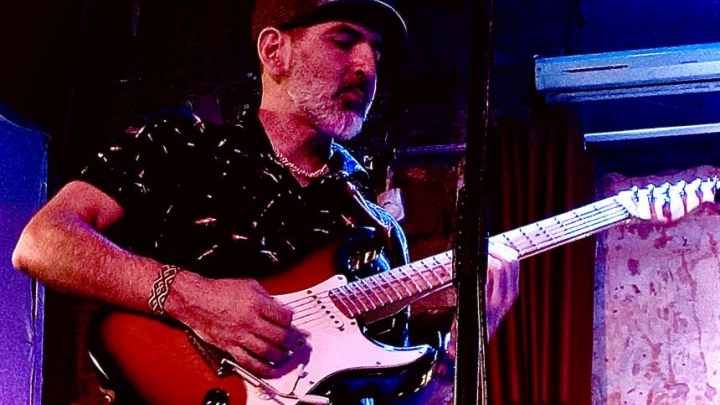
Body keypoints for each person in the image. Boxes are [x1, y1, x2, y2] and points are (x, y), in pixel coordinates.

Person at [12, 0, 520, 403]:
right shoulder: (181, 143)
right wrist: (193, 297)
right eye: (344, 41)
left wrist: (465, 344)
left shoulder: (377, 232)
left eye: (377, 53)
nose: (367, 67)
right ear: (275, 51)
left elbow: (388, 396)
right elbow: (43, 242)